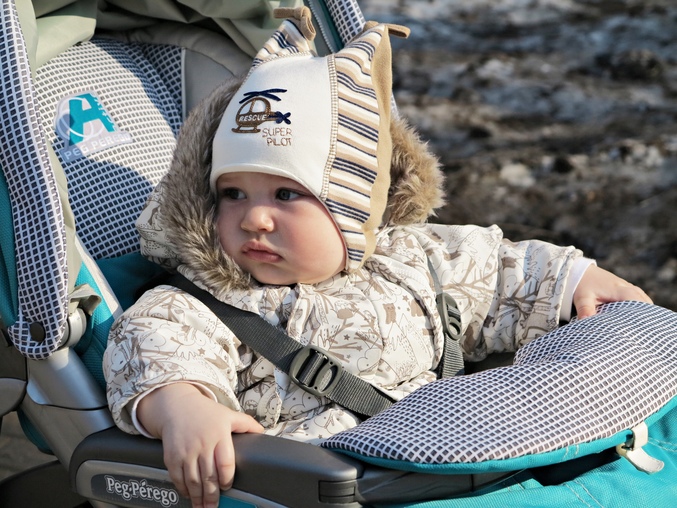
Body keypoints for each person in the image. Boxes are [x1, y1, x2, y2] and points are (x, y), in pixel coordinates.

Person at [103, 7, 651, 508]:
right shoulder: (205, 302)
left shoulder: (414, 258)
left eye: (286, 194)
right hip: (331, 485)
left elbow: (503, 272)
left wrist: (576, 279)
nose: (255, 219)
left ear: (354, 208)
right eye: (233, 194)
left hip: (465, 463)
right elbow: (156, 348)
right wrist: (184, 407)